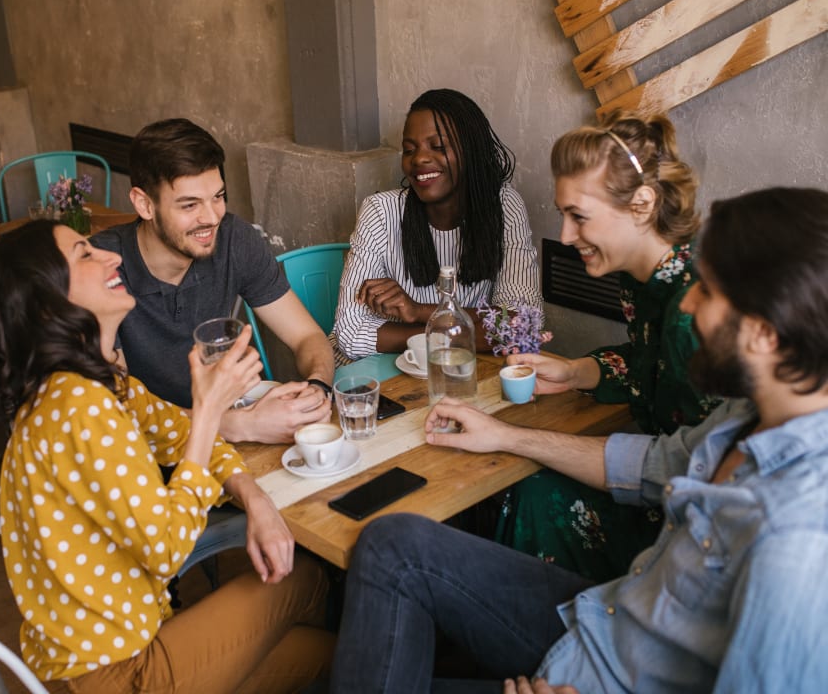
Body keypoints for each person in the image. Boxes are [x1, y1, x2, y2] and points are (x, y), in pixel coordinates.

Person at [331, 186, 828, 693]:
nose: (690, 303)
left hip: (605, 675)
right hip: (603, 620)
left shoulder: (796, 542)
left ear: (765, 333)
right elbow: (651, 463)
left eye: (710, 291)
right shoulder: (747, 414)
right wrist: (507, 436)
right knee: (392, 542)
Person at [0, 219, 335, 692]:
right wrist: (210, 407)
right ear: (47, 305)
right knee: (305, 581)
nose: (113, 257)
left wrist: (256, 499)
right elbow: (166, 548)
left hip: (137, 641)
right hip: (123, 673)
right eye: (85, 255)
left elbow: (176, 431)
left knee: (332, 656)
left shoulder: (99, 384)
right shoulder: (77, 405)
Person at [492, 111, 722, 582]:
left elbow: (700, 470)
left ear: (642, 204)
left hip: (693, 533)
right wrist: (578, 371)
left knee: (531, 492)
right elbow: (646, 362)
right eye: (563, 214)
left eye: (578, 216)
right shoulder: (645, 278)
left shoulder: (694, 310)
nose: (564, 236)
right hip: (660, 478)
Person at [90, 118, 334, 444]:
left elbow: (306, 335)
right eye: (190, 205)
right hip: (148, 457)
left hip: (233, 438)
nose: (211, 217)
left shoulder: (234, 238)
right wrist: (240, 425)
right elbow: (117, 410)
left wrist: (317, 389)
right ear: (144, 204)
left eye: (218, 197)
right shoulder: (103, 269)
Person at [332, 88, 541, 362]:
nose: (419, 159)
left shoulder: (504, 206)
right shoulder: (380, 212)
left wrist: (417, 311)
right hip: (374, 374)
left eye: (438, 147)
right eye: (409, 149)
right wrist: (460, 331)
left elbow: (522, 326)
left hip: (454, 370)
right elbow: (350, 334)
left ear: (471, 151)